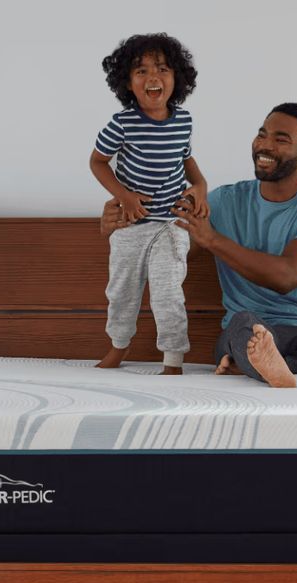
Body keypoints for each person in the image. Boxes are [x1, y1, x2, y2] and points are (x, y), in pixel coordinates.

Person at [101, 103, 297, 388]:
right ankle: (268, 362)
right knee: (244, 325)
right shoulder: (222, 202)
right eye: (261, 135)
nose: (265, 145)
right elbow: (167, 248)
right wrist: (120, 224)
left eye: (280, 139)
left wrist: (212, 239)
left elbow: (286, 276)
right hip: (247, 331)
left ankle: (275, 366)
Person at [90, 33, 209, 375]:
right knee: (122, 293)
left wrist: (200, 184)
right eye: (140, 71)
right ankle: (118, 347)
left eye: (162, 69)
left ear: (177, 78)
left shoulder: (183, 121)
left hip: (170, 226)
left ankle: (173, 359)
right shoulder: (122, 124)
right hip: (130, 227)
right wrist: (124, 196)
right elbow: (97, 162)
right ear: (127, 82)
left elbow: (186, 159)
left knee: (168, 294)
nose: (153, 77)